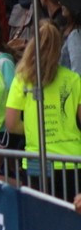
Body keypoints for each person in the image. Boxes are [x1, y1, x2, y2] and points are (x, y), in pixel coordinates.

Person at [5, 22, 81, 201]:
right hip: (72, 161)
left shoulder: (22, 79)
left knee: (40, 220)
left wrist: (33, 127)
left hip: (36, 161)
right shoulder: (73, 79)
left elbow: (11, 124)